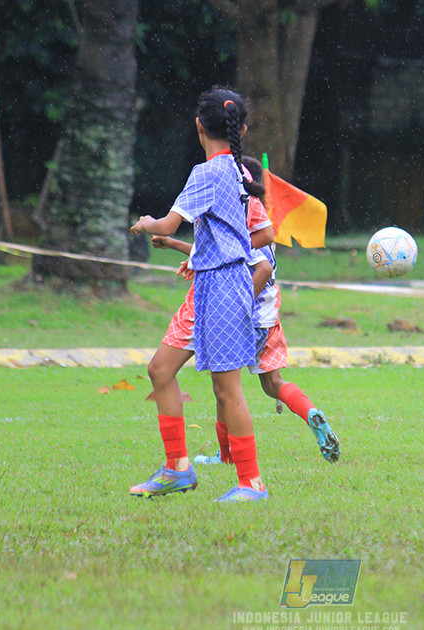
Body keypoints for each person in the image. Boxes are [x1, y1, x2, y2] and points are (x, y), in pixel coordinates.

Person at [150, 157, 341, 465]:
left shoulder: (240, 220)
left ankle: (227, 459)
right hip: (268, 318)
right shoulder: (257, 223)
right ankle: (310, 412)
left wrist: (238, 305)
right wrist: (176, 246)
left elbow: (259, 267)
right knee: (272, 384)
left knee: (223, 386)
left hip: (241, 312)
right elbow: (225, 253)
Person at [128, 87, 269, 502]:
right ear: (240, 129)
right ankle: (177, 470)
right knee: (160, 370)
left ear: (198, 127)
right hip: (208, 285)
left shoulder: (207, 173)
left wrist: (146, 223)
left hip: (224, 286)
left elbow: (169, 224)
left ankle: (252, 484)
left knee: (228, 390)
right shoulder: (239, 173)